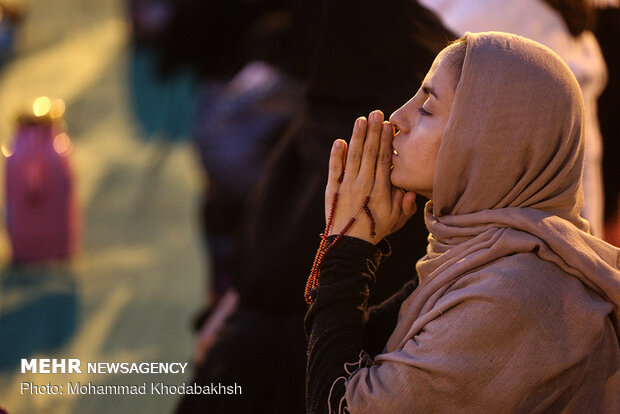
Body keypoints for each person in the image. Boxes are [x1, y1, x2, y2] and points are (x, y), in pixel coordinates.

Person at [305, 32, 620, 413]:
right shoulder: (479, 258)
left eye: (426, 109)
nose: (397, 118)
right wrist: (354, 246)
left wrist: (348, 247)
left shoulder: (516, 291)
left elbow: (340, 404)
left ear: (487, 141)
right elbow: (349, 352)